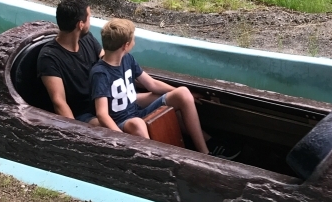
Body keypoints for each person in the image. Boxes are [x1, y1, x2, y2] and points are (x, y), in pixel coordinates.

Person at [90, 18, 238, 159]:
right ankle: (154, 159)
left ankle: (205, 153)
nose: (134, 42)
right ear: (125, 45)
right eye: (133, 40)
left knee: (182, 93)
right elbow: (102, 114)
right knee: (137, 123)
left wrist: (177, 92)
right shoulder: (100, 73)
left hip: (136, 110)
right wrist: (119, 137)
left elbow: (151, 84)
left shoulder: (127, 59)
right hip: (121, 122)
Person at [38, 0, 103, 122]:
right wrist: (74, 131)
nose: (90, 22)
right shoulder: (49, 57)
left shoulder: (87, 38)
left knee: (152, 99)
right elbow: (59, 101)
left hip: (102, 102)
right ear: (80, 24)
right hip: (83, 116)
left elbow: (107, 62)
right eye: (89, 18)